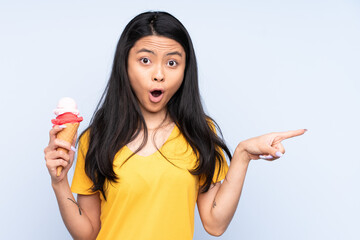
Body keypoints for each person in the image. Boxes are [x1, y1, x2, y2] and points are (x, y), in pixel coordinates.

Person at [44, 11, 306, 240]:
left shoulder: (199, 133)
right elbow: (87, 234)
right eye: (145, 60)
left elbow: (214, 224)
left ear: (185, 70)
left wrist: (243, 155)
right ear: (125, 65)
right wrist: (59, 182)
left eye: (172, 62)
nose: (159, 74)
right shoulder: (98, 137)